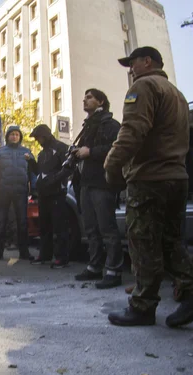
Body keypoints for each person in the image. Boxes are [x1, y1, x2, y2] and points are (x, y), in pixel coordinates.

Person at [104, 47, 193, 328]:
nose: (130, 69)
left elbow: (132, 131)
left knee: (142, 242)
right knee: (169, 240)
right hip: (176, 176)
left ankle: (142, 306)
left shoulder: (144, 86)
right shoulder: (178, 94)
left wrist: (112, 164)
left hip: (150, 177)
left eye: (133, 62)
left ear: (147, 61)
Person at [72, 89, 124, 289]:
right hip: (86, 182)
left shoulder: (111, 125)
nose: (85, 99)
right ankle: (94, 267)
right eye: (84, 96)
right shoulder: (87, 127)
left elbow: (116, 149)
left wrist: (90, 151)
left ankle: (113, 270)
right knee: (91, 229)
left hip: (103, 183)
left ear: (101, 101)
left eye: (90, 96)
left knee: (107, 228)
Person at [28, 124, 71, 268]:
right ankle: (45, 254)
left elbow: (67, 168)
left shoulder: (60, 148)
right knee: (44, 226)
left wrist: (54, 180)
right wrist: (31, 163)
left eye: (39, 137)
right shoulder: (42, 153)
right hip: (44, 193)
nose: (38, 140)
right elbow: (40, 172)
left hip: (57, 193)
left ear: (45, 135)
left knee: (59, 226)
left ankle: (61, 257)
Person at [0, 125, 35, 261]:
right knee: (1, 221)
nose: (14, 136)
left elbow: (33, 171)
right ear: (7, 136)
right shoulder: (0, 152)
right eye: (11, 134)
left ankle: (24, 252)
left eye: (16, 134)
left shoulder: (27, 152)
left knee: (22, 222)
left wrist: (35, 187)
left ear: (20, 136)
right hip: (3, 191)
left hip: (21, 192)